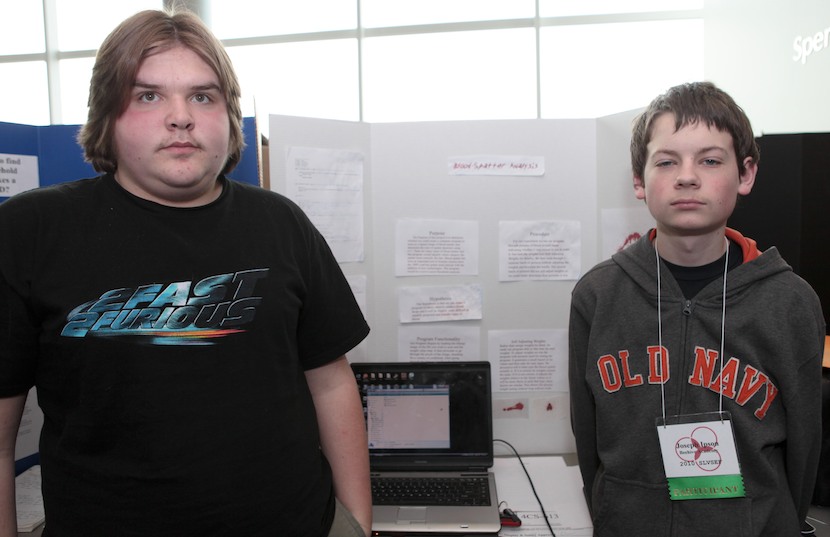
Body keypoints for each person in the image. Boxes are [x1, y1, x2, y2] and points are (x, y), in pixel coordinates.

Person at [0, 9, 371, 537]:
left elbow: (331, 382)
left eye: (202, 95)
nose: (181, 117)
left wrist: (357, 523)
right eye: (148, 95)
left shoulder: (281, 224)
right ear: (107, 116)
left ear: (229, 116)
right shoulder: (30, 231)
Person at [568, 81, 825, 536]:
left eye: (710, 160)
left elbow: (805, 453)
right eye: (667, 161)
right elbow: (588, 441)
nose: (687, 177)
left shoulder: (790, 302)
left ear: (745, 174)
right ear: (639, 180)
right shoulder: (598, 295)